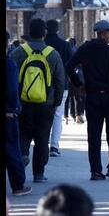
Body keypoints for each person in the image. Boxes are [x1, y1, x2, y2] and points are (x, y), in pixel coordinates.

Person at [65, 20, 109, 181]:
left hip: (91, 97)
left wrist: (79, 83)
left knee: (94, 135)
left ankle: (96, 171)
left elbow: (69, 67)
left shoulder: (84, 49)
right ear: (102, 33)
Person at [9, 18, 65, 183]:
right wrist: (57, 101)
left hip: (22, 102)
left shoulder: (18, 52)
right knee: (42, 137)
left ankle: (23, 156)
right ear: (44, 33)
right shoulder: (52, 54)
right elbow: (60, 80)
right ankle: (39, 173)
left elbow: (10, 77)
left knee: (23, 134)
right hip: (45, 103)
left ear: (28, 32)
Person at [6, 31, 32, 196]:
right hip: (7, 115)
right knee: (11, 150)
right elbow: (11, 90)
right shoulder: (9, 65)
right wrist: (12, 109)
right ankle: (18, 185)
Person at [44, 20, 73, 157]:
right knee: (57, 116)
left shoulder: (42, 44)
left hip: (40, 86)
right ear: (58, 30)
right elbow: (71, 64)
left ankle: (42, 144)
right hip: (61, 85)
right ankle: (54, 146)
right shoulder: (65, 45)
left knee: (42, 116)